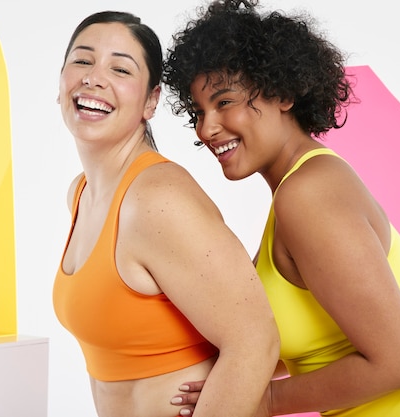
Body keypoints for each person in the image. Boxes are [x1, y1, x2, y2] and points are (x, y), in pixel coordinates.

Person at [162, 1, 400, 416]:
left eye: (224, 102)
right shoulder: (295, 195)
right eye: (198, 112)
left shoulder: (307, 195)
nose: (206, 128)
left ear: (282, 93)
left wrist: (265, 400)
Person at [52, 10, 280, 417]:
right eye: (83, 60)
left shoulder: (157, 198)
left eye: (120, 68)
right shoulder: (81, 193)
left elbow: (255, 340)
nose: (94, 78)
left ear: (150, 100)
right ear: (61, 80)